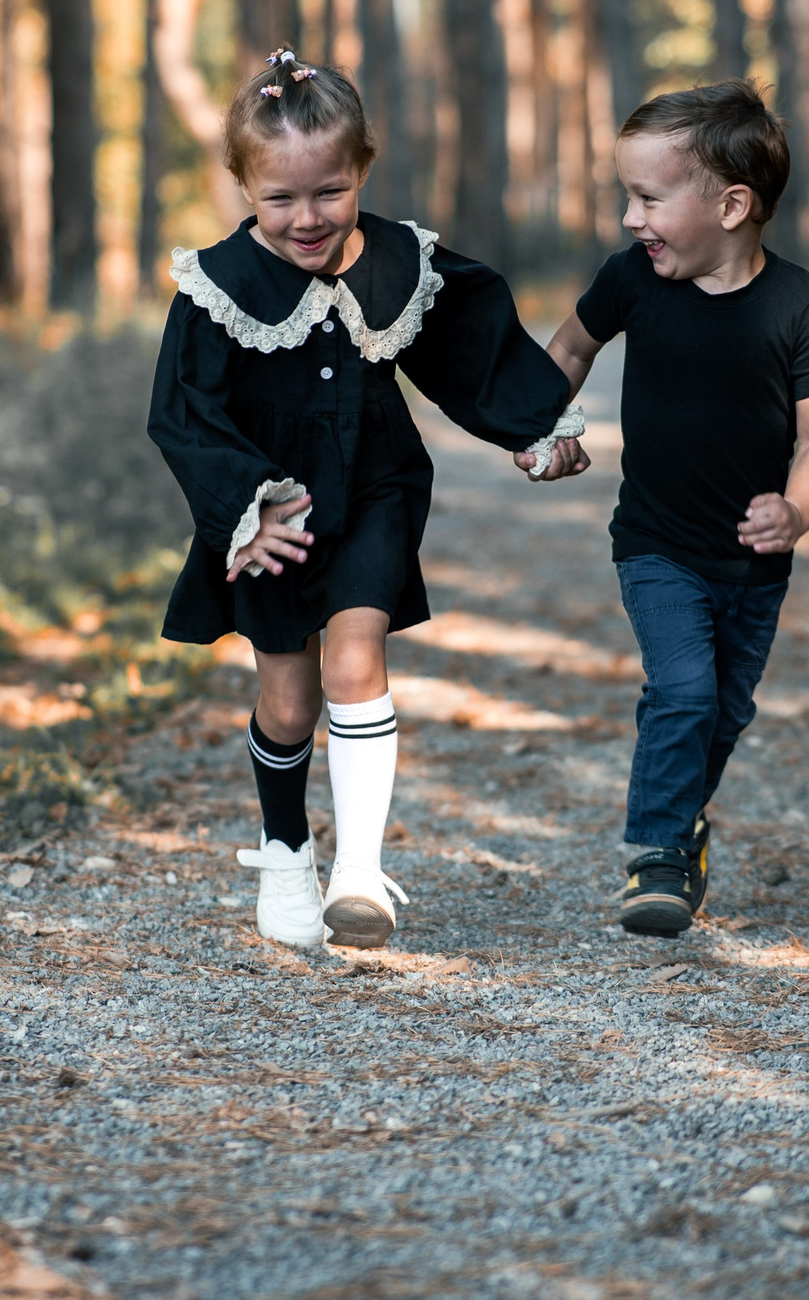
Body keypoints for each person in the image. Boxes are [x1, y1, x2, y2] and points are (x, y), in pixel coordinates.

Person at [148, 49, 586, 950]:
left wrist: (537, 426)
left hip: (378, 482)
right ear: (243, 185)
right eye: (281, 199)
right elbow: (182, 414)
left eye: (329, 192)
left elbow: (470, 339)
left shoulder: (397, 259)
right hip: (274, 515)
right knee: (290, 702)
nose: (307, 218)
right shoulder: (217, 288)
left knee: (355, 659)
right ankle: (285, 847)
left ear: (362, 171)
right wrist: (245, 505)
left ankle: (358, 870)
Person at [534, 82, 809, 936]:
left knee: (724, 708)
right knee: (681, 689)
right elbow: (569, 345)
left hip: (753, 563)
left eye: (648, 198)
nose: (632, 219)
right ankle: (658, 855)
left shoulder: (801, 308)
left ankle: (684, 821)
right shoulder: (634, 279)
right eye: (627, 196)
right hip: (657, 543)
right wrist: (541, 424)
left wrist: (798, 510)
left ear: (733, 204)